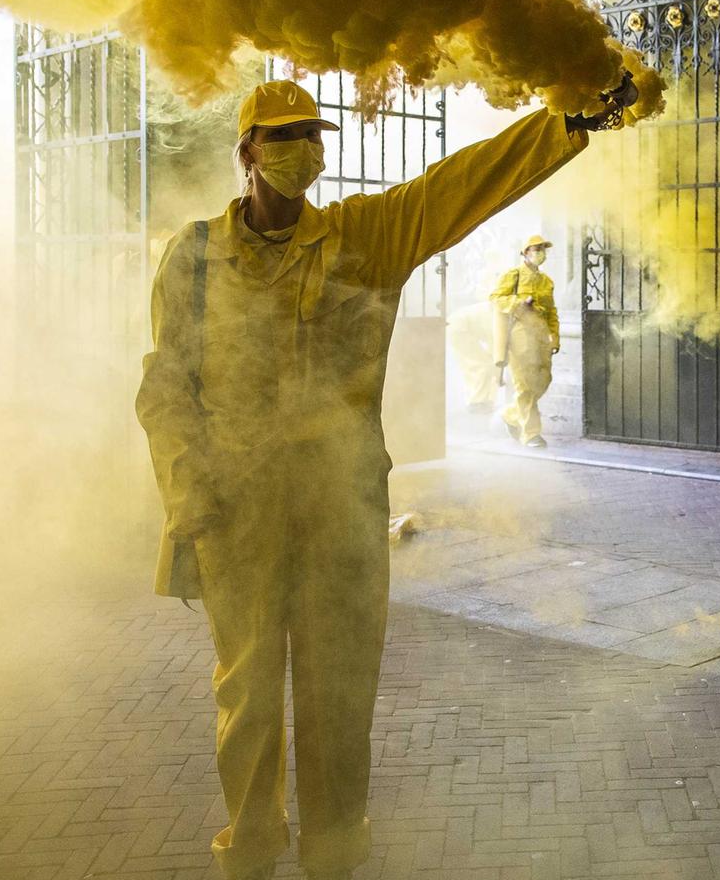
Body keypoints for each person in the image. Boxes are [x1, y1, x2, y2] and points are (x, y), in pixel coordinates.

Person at [136, 74, 637, 880]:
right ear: (248, 152)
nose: (306, 149)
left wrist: (563, 122)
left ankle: (335, 853)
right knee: (249, 702)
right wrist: (191, 499)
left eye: (314, 134)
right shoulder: (194, 259)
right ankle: (252, 849)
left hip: (340, 510)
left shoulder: (362, 237)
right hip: (239, 517)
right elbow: (166, 389)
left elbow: (455, 187)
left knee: (338, 696)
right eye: (286, 134)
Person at [490, 235, 559, 447]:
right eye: (535, 249)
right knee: (526, 385)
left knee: (543, 381)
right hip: (520, 335)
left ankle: (511, 415)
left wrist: (554, 338)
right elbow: (496, 298)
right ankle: (531, 434)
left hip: (541, 337)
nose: (540, 252)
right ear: (525, 252)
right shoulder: (514, 275)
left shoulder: (546, 281)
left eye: (542, 249)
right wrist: (519, 302)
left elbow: (551, 312)